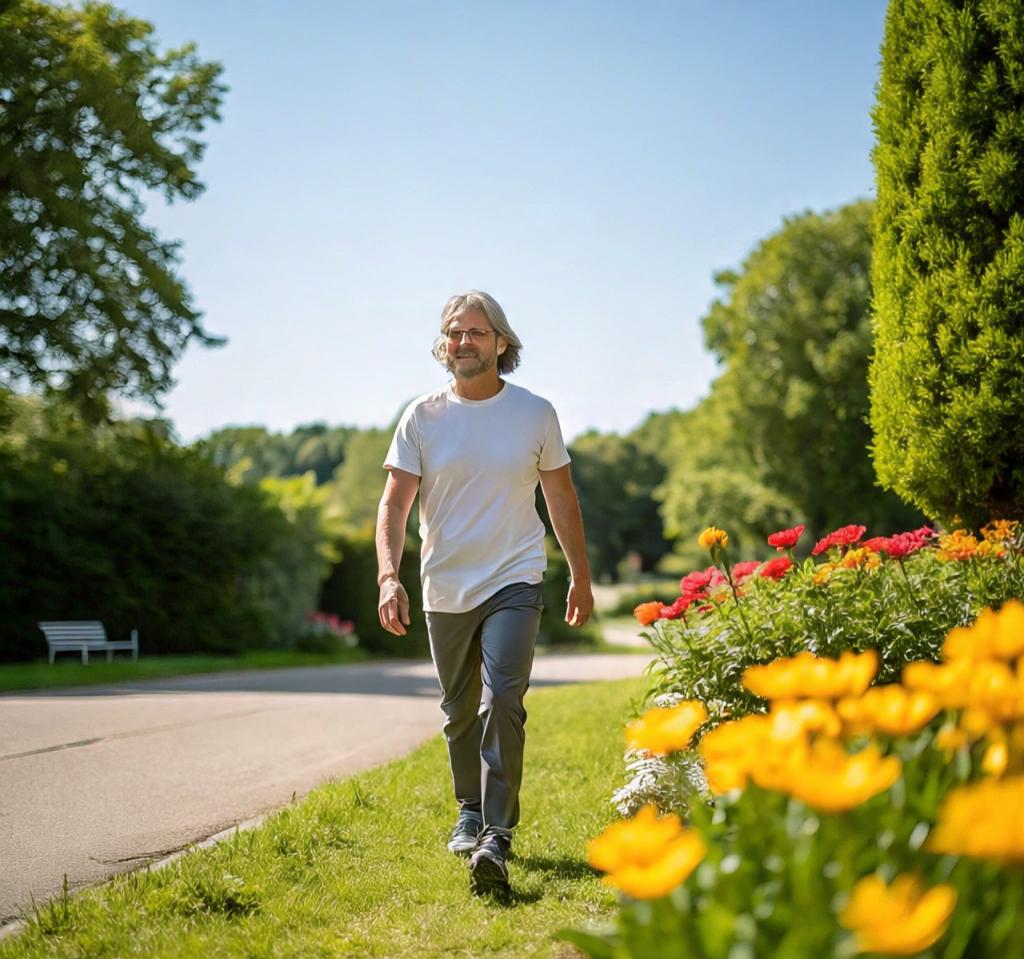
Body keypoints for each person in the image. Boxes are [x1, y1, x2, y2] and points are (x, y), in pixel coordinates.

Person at [376, 290, 593, 896]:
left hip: (514, 577)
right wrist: (388, 574)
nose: (463, 342)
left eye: (475, 332)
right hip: (445, 583)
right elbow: (394, 503)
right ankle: (468, 809)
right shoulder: (422, 416)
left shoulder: (535, 413)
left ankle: (496, 833)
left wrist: (579, 573)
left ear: (502, 342)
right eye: (454, 333)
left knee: (503, 698)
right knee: (458, 708)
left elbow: (561, 498)